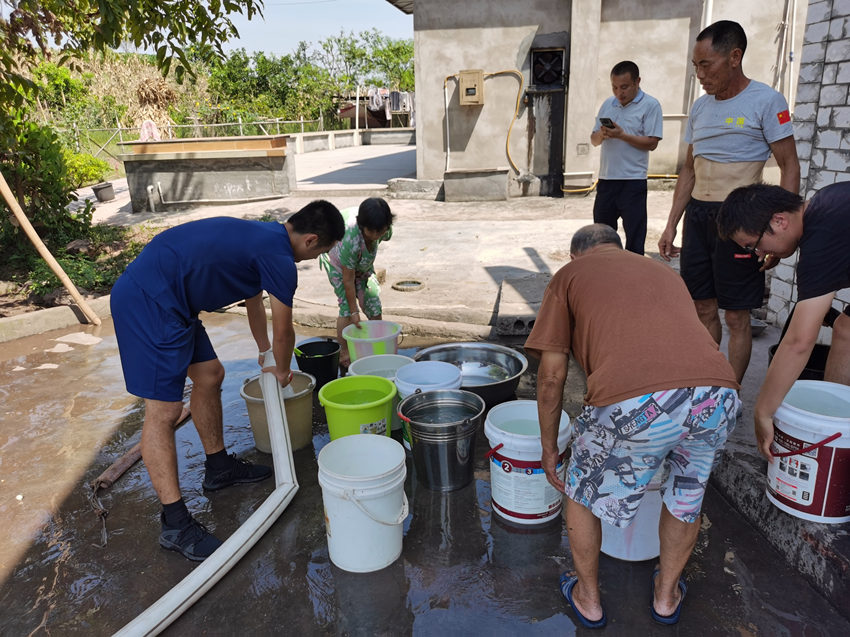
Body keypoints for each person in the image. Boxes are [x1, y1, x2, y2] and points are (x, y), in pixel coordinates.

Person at [525, 224, 739, 628]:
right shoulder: (663, 271)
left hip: (638, 401)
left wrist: (550, 447)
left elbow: (551, 377)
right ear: (618, 248)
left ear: (576, 256)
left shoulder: (569, 276)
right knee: (686, 494)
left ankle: (588, 599)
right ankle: (666, 596)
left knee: (581, 491)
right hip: (717, 394)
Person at [110, 200, 344, 561]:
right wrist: (281, 369)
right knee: (164, 410)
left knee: (210, 374)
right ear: (311, 240)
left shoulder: (265, 235)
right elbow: (284, 330)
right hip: (150, 299)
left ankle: (218, 468)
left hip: (175, 298)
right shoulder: (281, 259)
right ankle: (175, 524)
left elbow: (254, 302)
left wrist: (264, 353)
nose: (313, 259)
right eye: (321, 252)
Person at [657, 20, 800, 384]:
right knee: (701, 306)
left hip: (740, 223)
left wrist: (782, 231)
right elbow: (688, 171)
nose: (700, 74)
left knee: (736, 316)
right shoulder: (701, 108)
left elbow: (789, 166)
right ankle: (709, 382)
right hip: (699, 216)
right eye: (696, 66)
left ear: (735, 57)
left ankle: (730, 391)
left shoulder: (767, 101)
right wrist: (672, 222)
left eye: (707, 65)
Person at [716, 182, 850, 459]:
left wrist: (763, 411)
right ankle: (835, 422)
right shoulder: (827, 204)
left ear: (779, 221)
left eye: (754, 245)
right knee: (845, 329)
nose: (758, 254)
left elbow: (799, 341)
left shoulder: (823, 232)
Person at [590, 60, 663, 255]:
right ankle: (607, 273)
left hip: (633, 181)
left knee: (635, 239)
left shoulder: (650, 105)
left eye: (624, 87)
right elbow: (594, 140)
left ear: (637, 82)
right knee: (602, 237)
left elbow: (652, 143)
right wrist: (603, 134)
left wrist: (622, 135)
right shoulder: (608, 104)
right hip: (606, 180)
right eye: (614, 87)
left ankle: (633, 278)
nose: (618, 93)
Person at [319, 197, 395, 370]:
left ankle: (379, 345)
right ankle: (345, 353)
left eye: (380, 231)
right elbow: (348, 279)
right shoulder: (350, 240)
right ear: (362, 226)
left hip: (361, 265)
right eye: (372, 232)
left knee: (373, 303)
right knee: (346, 308)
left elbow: (379, 234)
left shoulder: (385, 229)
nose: (376, 236)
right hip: (338, 265)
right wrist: (354, 311)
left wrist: (362, 268)